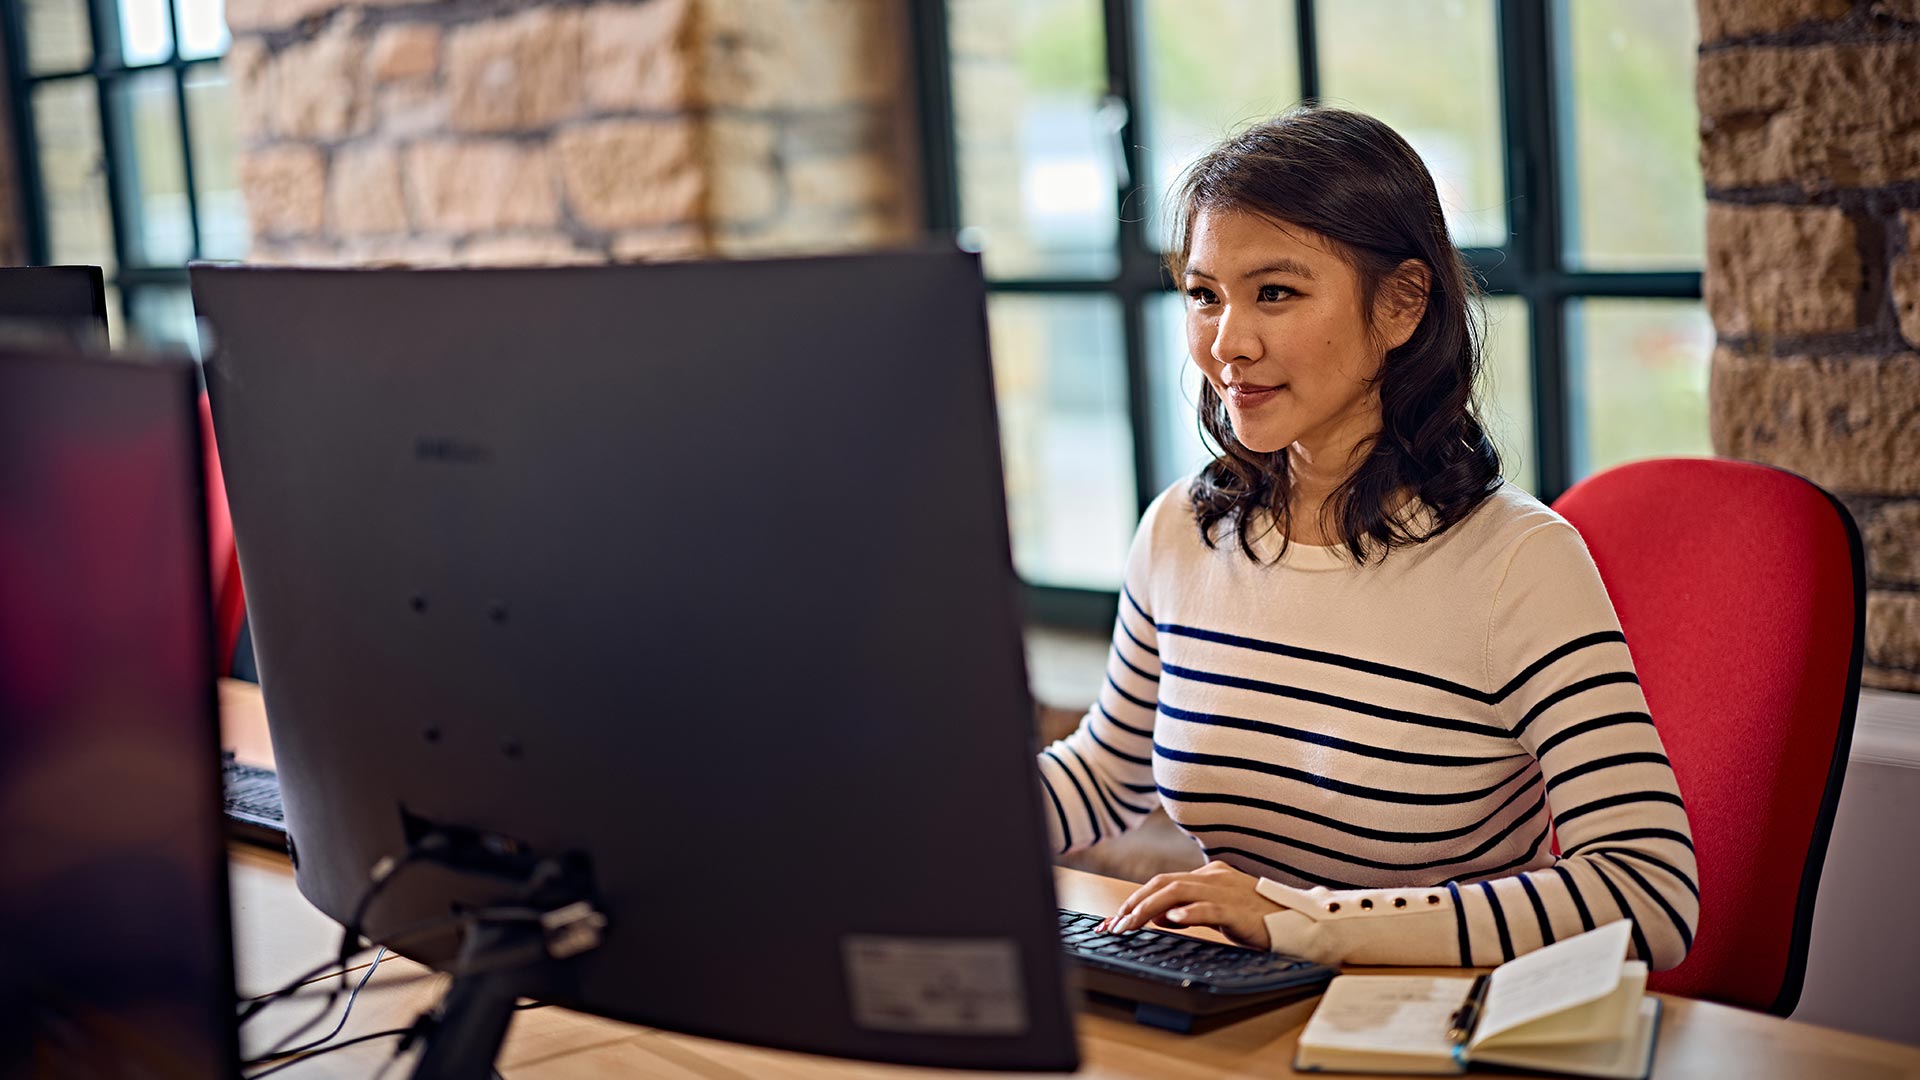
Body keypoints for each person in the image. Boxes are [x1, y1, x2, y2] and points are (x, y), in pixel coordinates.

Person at [1037, 108, 1698, 970]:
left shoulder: (1519, 564)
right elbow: (1103, 775)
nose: (1227, 342)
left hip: (1421, 1029)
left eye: (1275, 291)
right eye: (1204, 295)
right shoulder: (1181, 531)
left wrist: (1306, 921)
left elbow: (1649, 890)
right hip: (1240, 1017)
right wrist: (896, 811)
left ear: (1401, 304)